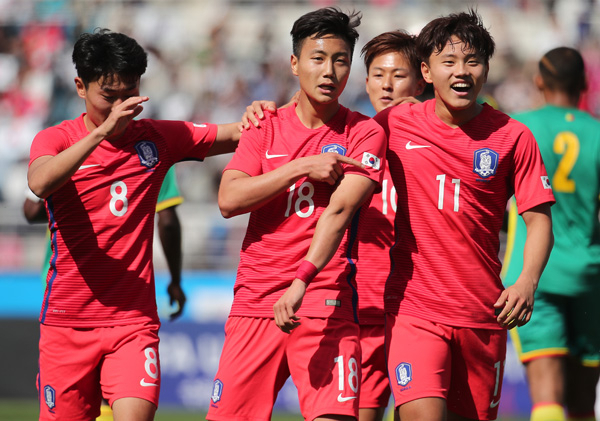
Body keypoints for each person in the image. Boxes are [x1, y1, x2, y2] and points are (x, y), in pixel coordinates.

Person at [27, 28, 242, 421]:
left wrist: (273, 115)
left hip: (132, 322)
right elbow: (39, 183)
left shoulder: (157, 139)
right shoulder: (55, 140)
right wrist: (102, 133)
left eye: (130, 95)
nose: (121, 107)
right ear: (80, 85)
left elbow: (233, 135)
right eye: (109, 97)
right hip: (66, 324)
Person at [373, 10, 555, 421]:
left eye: (473, 61)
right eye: (449, 62)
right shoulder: (396, 123)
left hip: (483, 316)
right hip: (414, 310)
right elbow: (337, 139)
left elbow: (539, 220)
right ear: (427, 71)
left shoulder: (513, 136)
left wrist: (526, 281)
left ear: (487, 68)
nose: (462, 72)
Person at [207, 7, 387, 421]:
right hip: (256, 302)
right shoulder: (263, 125)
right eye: (318, 58)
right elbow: (229, 200)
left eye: (340, 60)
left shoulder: (365, 133)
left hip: (327, 301)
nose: (329, 71)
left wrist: (302, 279)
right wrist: (302, 166)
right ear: (294, 63)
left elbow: (340, 211)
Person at [502, 47, 600, 421]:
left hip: (535, 275)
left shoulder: (518, 127)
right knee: (583, 403)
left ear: (539, 81)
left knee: (546, 398)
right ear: (585, 84)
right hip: (589, 274)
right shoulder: (597, 133)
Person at [356, 31, 425, 421]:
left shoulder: (440, 136)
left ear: (420, 80)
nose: (386, 84)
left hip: (419, 305)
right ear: (365, 82)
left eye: (398, 75)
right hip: (365, 302)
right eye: (378, 74)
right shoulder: (354, 137)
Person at [24, 166, 186, 321]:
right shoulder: (155, 147)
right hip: (125, 291)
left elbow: (31, 210)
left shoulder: (65, 144)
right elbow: (168, 222)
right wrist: (176, 281)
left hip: (65, 286)